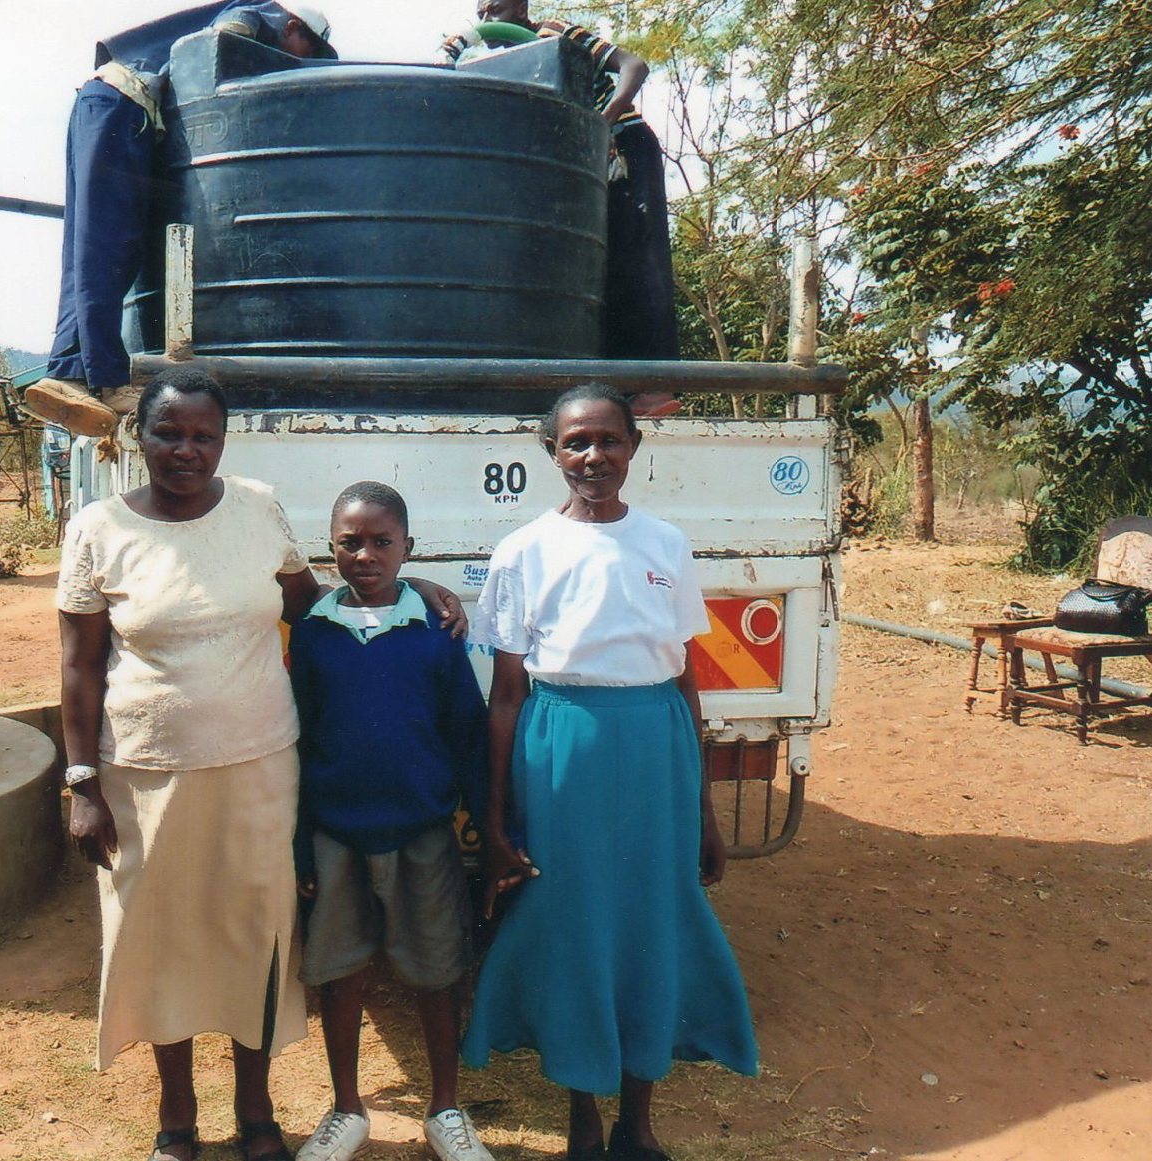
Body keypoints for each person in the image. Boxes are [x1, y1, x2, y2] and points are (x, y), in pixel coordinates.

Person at [56, 367, 465, 1161]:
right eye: (168, 432)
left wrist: (406, 582)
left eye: (203, 434)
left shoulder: (255, 507)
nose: (185, 449)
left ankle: (256, 1115)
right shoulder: (98, 529)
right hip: (144, 774)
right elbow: (76, 667)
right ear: (137, 436)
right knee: (158, 940)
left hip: (260, 768)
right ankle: (177, 1117)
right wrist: (79, 782)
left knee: (256, 940)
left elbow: (314, 605)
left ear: (223, 439)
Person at [460, 384, 757, 1161]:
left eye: (608, 441)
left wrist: (703, 808)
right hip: (563, 744)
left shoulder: (664, 542)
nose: (593, 457)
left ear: (634, 446)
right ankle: (581, 1115)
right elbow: (505, 696)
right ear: (550, 453)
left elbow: (686, 677)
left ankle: (638, 1117)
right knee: (576, 922)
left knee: (651, 916)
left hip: (655, 741)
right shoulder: (523, 551)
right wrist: (493, 822)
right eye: (575, 444)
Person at [287, 482, 492, 1161]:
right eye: (351, 542)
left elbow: (464, 731)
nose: (366, 554)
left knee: (436, 970)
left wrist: (489, 827)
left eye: (382, 541)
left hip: (421, 831)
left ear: (409, 547)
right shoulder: (314, 633)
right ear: (331, 548)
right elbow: (300, 734)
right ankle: (347, 1108)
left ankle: (445, 1107)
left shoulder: (434, 631)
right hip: (336, 831)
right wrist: (300, 845)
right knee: (340, 972)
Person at [24, 4, 337, 438]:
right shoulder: (256, 13)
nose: (303, 61)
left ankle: (68, 371)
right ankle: (108, 381)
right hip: (122, 108)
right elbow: (220, 44)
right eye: (309, 49)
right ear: (293, 26)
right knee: (109, 249)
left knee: (90, 248)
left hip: (104, 105)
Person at [443, 1, 681, 415]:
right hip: (575, 166)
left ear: (520, 6)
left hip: (622, 146)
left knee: (638, 261)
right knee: (590, 271)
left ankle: (652, 387)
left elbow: (634, 66)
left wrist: (603, 122)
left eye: (496, 9)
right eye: (481, 14)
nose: (487, 20)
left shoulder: (554, 33)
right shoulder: (496, 60)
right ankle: (610, 388)